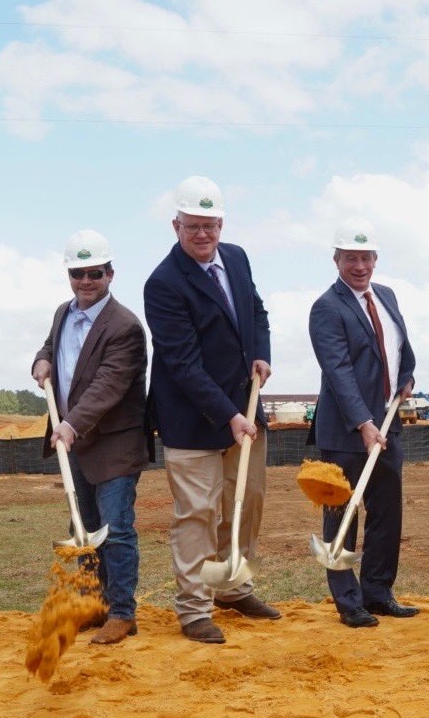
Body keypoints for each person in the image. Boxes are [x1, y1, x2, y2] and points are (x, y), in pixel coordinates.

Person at [143, 176, 281, 644]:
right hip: (193, 421)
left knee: (247, 505)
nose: (203, 235)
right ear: (175, 225)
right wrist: (228, 415)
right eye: (193, 226)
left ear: (221, 223)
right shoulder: (163, 284)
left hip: (244, 409)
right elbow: (182, 363)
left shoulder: (237, 258)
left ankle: (233, 586)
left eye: (211, 226)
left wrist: (261, 353)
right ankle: (195, 608)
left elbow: (257, 312)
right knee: (198, 514)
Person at [31, 229, 149, 645]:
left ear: (110, 274)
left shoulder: (125, 326)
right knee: (83, 527)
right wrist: (42, 361)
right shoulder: (64, 312)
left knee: (115, 529)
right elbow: (51, 347)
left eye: (94, 273)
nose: (86, 281)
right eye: (78, 273)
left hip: (114, 443)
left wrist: (71, 423)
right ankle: (91, 606)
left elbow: (107, 386)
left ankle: (121, 613)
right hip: (76, 443)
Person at [308, 218, 418, 628]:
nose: (359, 266)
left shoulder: (386, 296)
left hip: (389, 426)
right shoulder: (326, 307)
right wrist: (363, 423)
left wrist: (407, 377)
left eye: (365, 258)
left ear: (375, 259)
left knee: (387, 513)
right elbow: (338, 372)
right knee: (342, 515)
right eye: (350, 258)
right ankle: (348, 601)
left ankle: (378, 592)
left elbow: (402, 349)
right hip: (346, 432)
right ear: (336, 259)